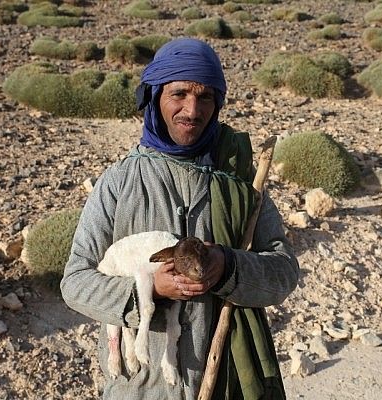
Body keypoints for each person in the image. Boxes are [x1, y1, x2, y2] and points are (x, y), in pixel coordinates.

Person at [61, 38, 299, 400]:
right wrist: (149, 290)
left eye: (205, 97)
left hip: (227, 381)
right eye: (179, 94)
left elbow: (283, 273)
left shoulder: (239, 184)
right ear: (155, 97)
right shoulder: (120, 181)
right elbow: (75, 283)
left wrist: (229, 267)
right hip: (141, 389)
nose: (192, 110)